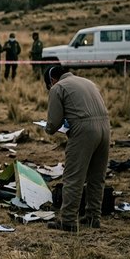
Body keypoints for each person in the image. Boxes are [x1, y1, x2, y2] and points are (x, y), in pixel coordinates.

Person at [44, 66, 110, 232]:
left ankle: (68, 220)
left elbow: (53, 124)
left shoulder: (58, 88)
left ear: (52, 80)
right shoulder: (88, 82)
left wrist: (48, 128)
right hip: (105, 128)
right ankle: (93, 217)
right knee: (96, 176)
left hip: (84, 131)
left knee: (73, 177)